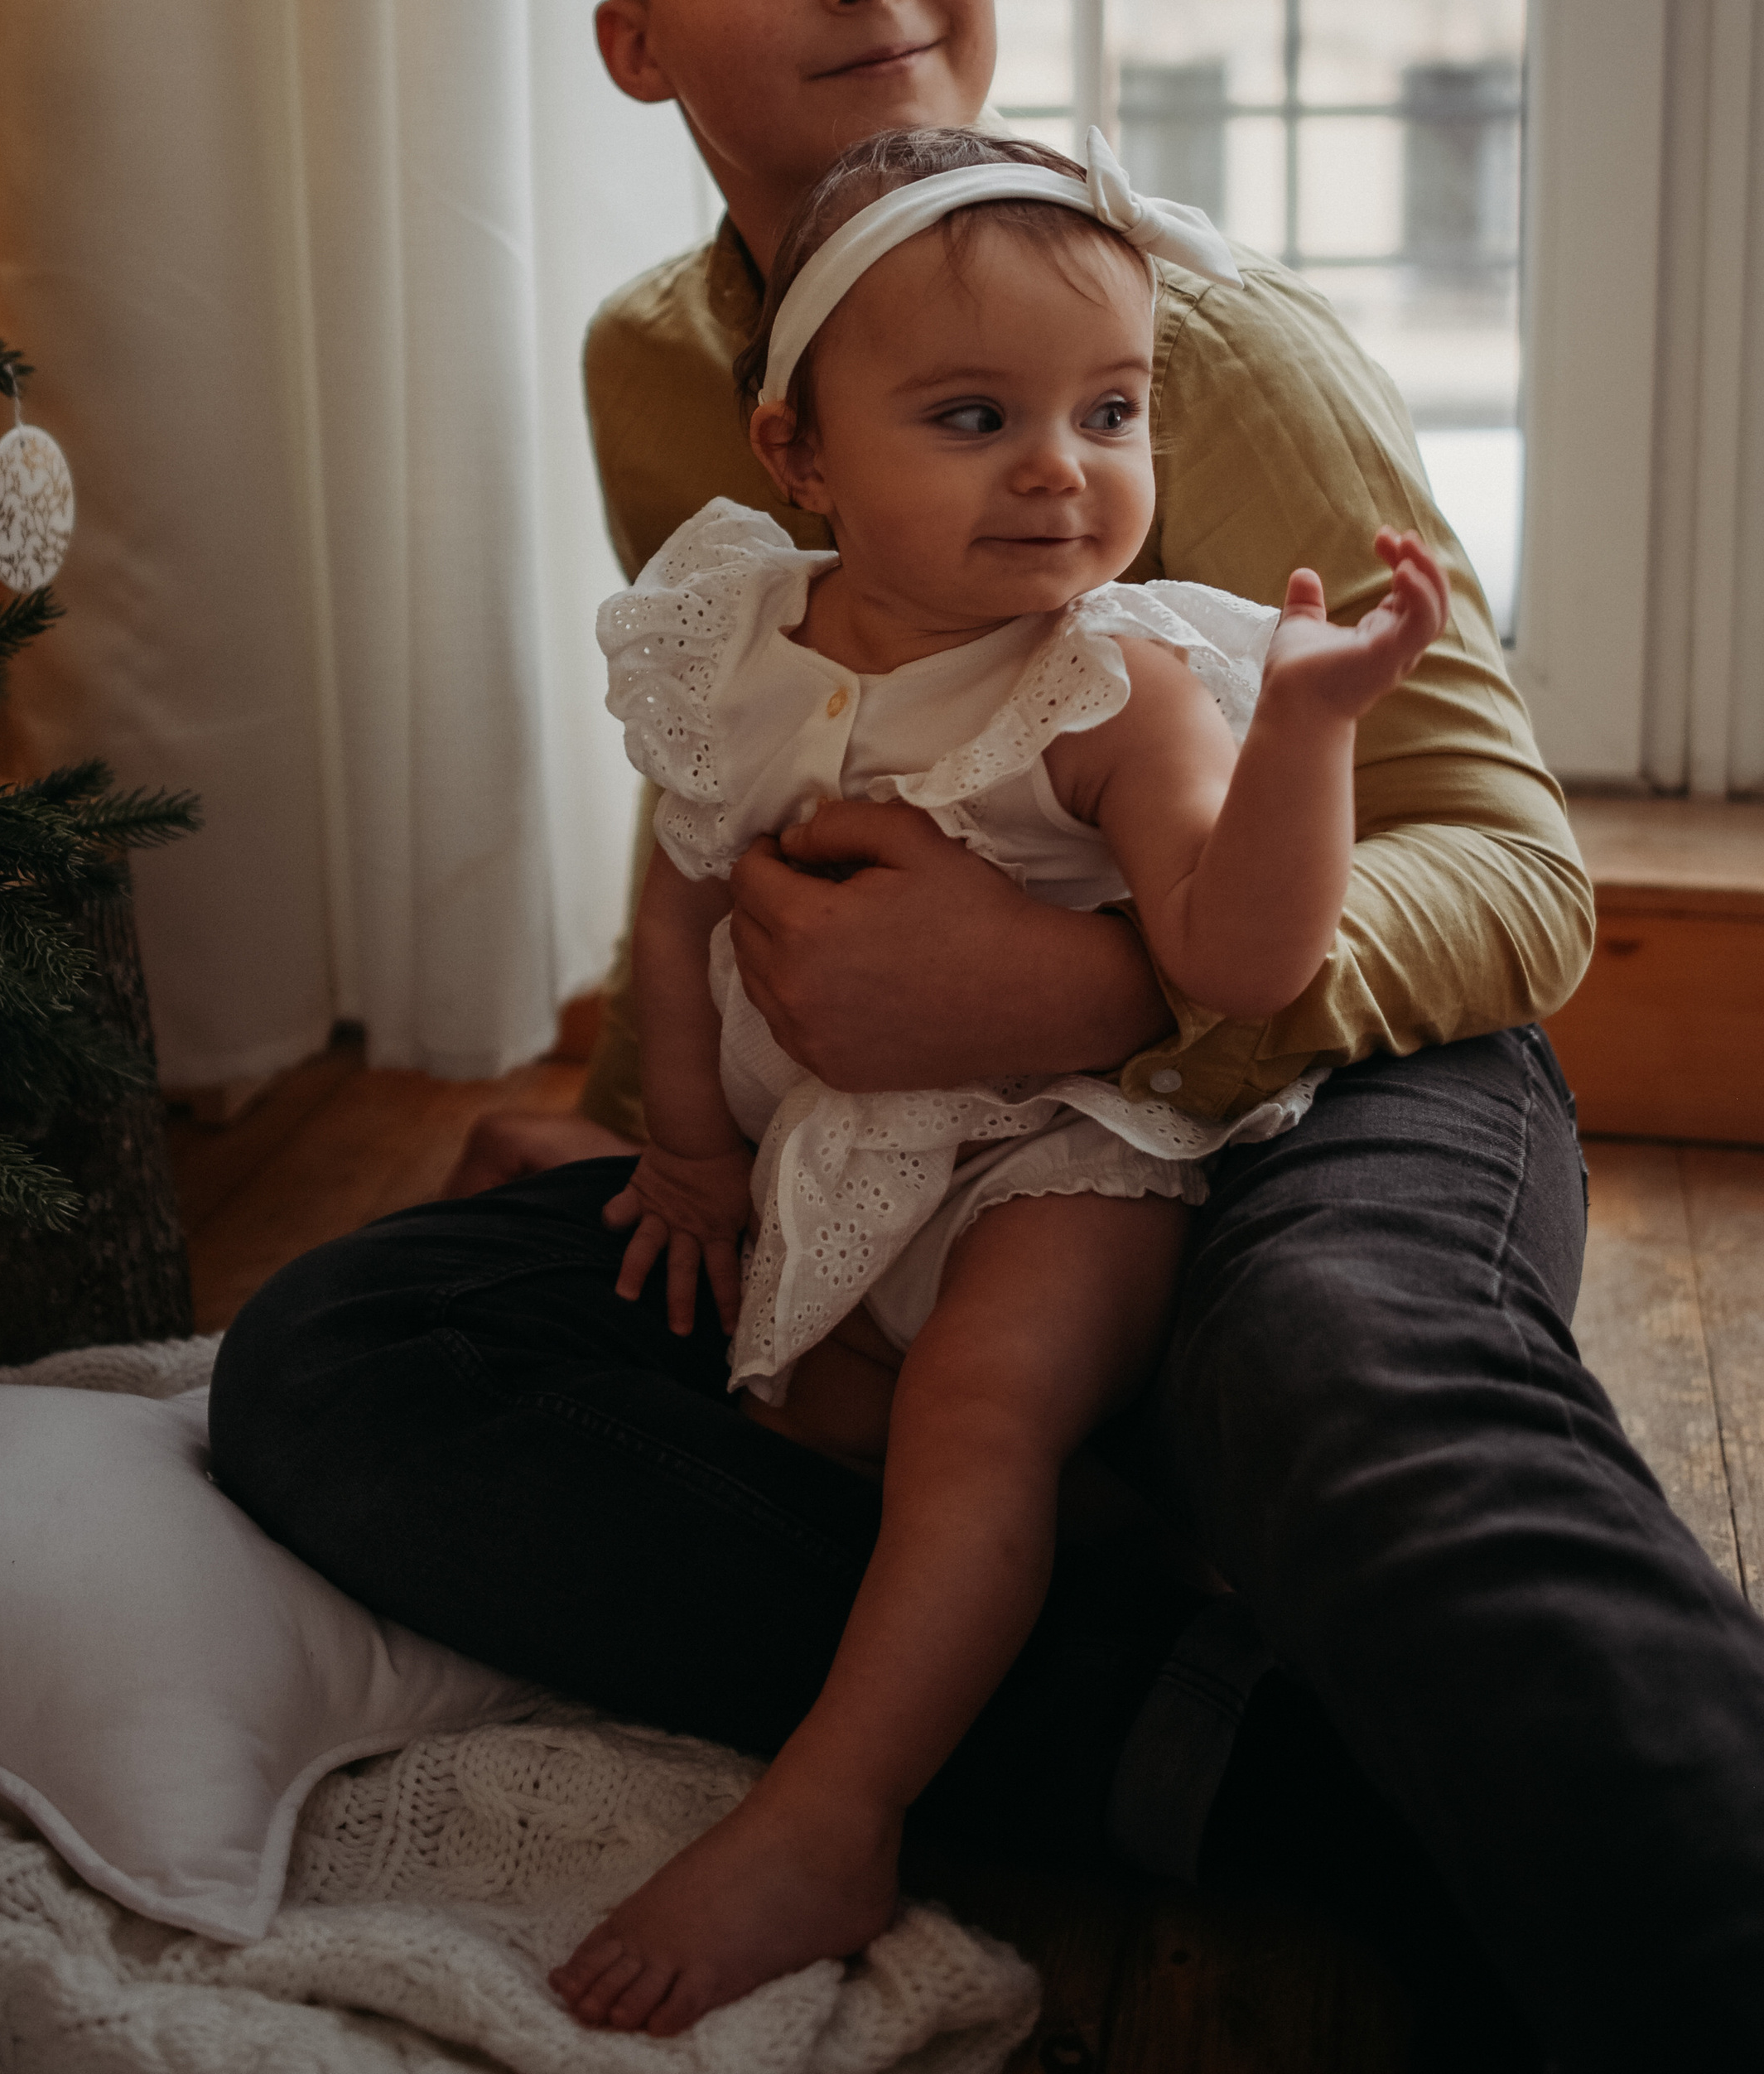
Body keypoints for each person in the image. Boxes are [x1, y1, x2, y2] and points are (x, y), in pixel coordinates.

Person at [211, 0, 1764, 2068]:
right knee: (344, 1354)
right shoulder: (666, 371)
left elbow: (1518, 883)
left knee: (1351, 1375)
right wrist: (664, 1120)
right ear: (636, 40)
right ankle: (1306, 1762)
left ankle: (1593, 1831)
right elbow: (749, 747)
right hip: (898, 1134)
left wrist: (1089, 997)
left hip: (1338, 1056)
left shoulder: (1185, 359)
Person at [545, 123, 1448, 2031]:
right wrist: (690, 1158)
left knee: (972, 1414)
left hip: (1064, 1156)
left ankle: (837, 1807)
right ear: (796, 448)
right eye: (972, 418)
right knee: (804, 1435)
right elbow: (673, 912)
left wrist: (1302, 735)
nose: (1062, 470)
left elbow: (1237, 963)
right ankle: (1117, 1563)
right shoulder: (735, 644)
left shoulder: (1116, 689)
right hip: (825, 1155)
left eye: (1108, 412)